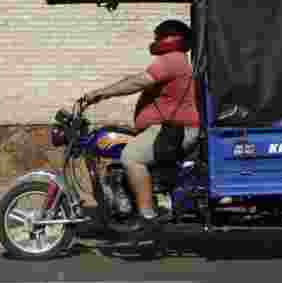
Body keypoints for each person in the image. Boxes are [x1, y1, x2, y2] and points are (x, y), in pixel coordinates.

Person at [81, 19, 200, 231]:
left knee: (131, 157)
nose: (155, 42)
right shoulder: (176, 60)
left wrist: (100, 93)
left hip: (174, 130)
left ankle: (147, 215)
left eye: (159, 37)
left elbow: (137, 82)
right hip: (168, 129)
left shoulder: (172, 59)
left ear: (173, 38)